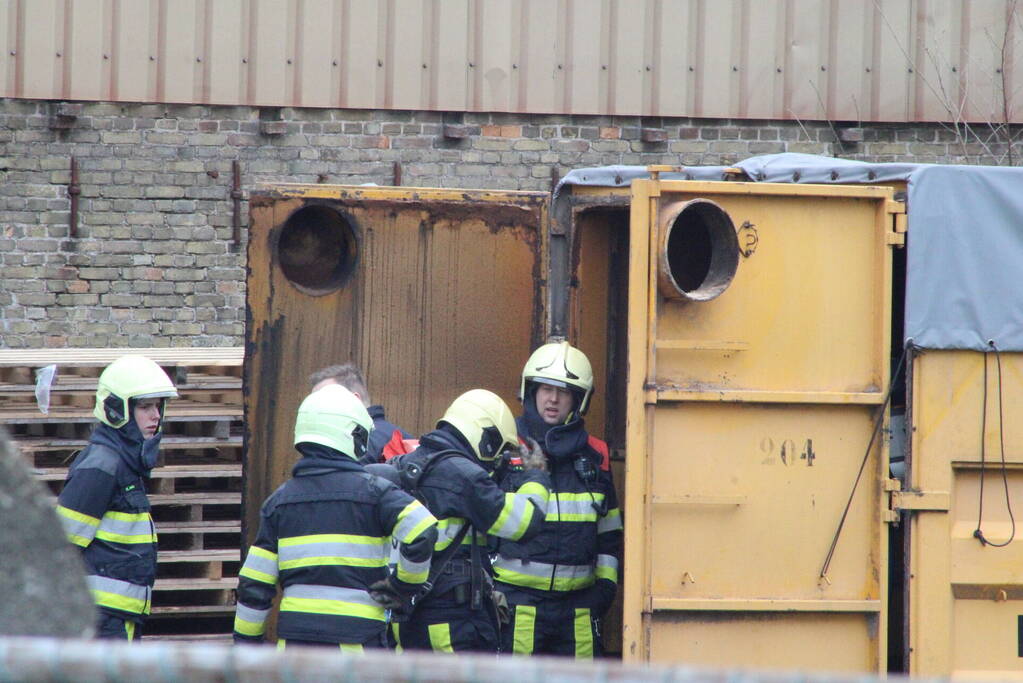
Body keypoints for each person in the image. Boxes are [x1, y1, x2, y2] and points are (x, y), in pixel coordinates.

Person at [233, 384, 437, 651]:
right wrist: (403, 586)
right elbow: (423, 529)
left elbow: (254, 586)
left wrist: (247, 649)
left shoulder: (278, 503)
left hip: (295, 650)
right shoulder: (376, 492)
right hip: (357, 646)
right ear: (353, 435)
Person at [387, 389, 551, 654]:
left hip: (405, 617)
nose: (497, 460)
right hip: (450, 623)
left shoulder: (408, 463)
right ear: (486, 437)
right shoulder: (464, 475)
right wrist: (537, 477)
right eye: (498, 450)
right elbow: (524, 522)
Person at [492, 341, 623, 659]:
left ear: (579, 399)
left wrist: (603, 591)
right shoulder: (504, 446)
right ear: (531, 390)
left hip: (578, 612)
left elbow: (610, 534)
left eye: (564, 391)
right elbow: (479, 524)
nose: (553, 399)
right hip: (517, 608)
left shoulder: (596, 455)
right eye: (546, 388)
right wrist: (489, 591)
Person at [56, 355, 179, 641]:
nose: (155, 416)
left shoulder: (124, 464)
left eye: (158, 406)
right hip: (101, 620)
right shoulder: (102, 466)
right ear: (116, 409)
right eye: (145, 407)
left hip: (118, 616)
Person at [309, 363, 412, 464]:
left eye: (323, 400)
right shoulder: (400, 436)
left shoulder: (354, 444)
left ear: (354, 400)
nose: (316, 408)